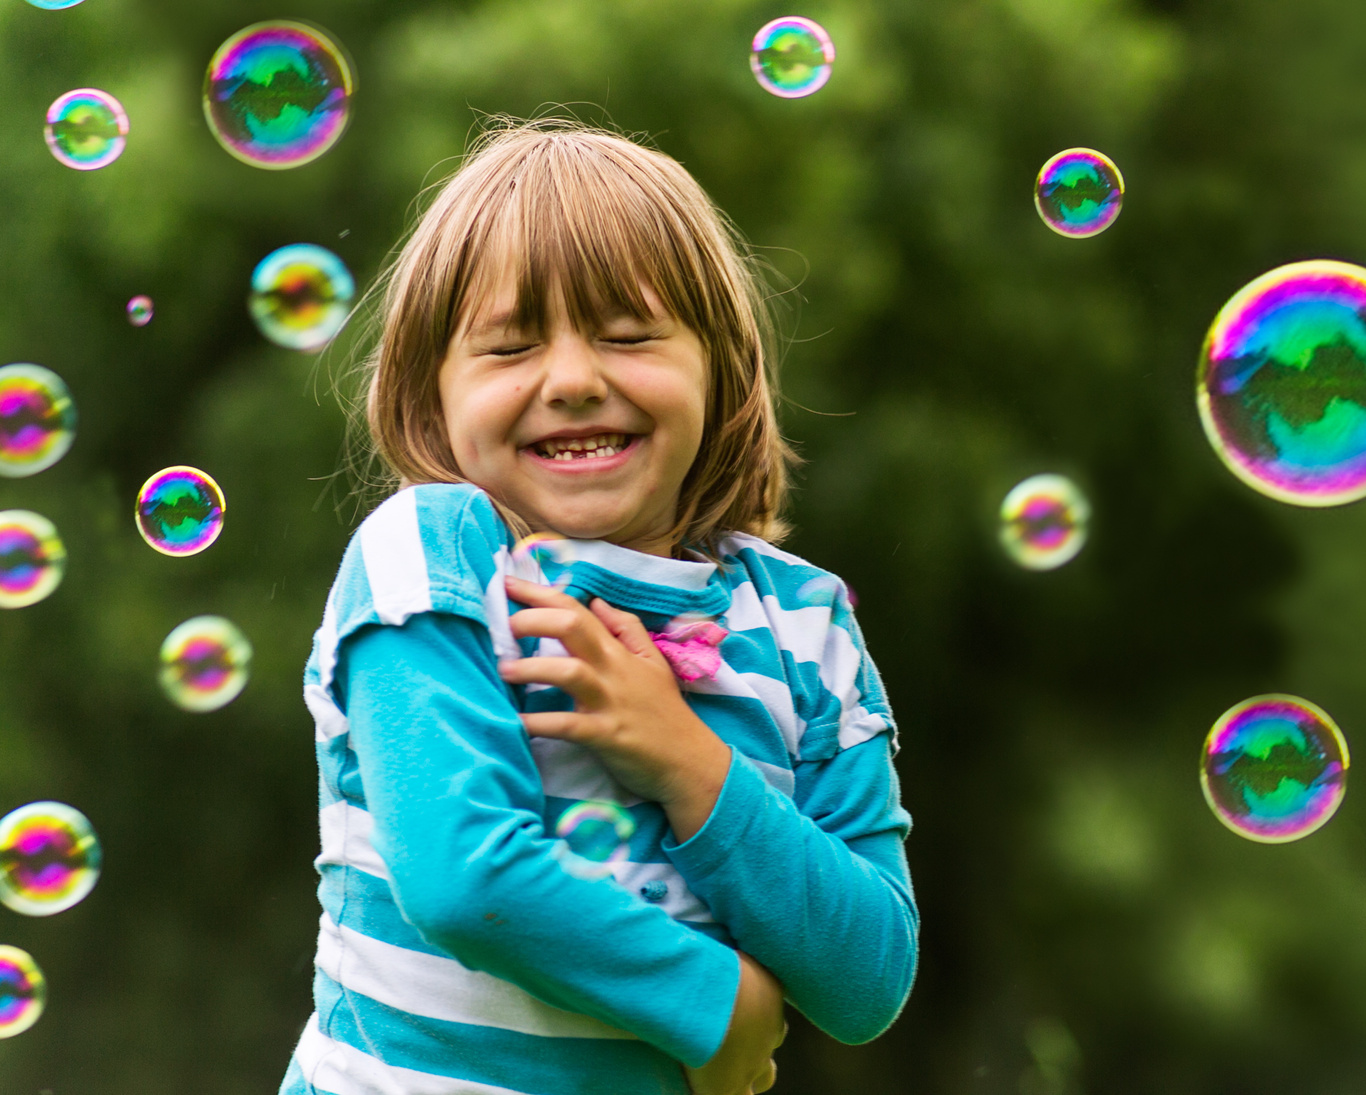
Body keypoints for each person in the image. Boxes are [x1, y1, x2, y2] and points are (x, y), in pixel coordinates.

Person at [278, 118, 918, 1095]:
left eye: (628, 336)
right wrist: (718, 1005)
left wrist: (688, 764)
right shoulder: (432, 554)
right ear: (430, 395)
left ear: (719, 371)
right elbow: (463, 876)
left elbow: (868, 979)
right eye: (507, 347)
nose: (574, 382)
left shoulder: (802, 624)